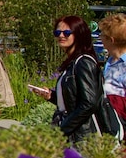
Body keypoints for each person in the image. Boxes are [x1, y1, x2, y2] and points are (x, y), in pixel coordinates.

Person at [30, 15, 121, 145]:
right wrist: (52, 96)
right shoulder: (73, 63)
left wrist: (62, 131)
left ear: (78, 34)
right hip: (75, 133)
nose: (61, 35)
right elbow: (75, 101)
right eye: (57, 32)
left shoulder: (84, 62)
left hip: (83, 136)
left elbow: (89, 103)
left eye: (67, 32)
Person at [99, 14, 126, 122]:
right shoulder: (110, 61)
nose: (100, 38)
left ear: (111, 40)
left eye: (102, 35)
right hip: (108, 120)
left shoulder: (124, 66)